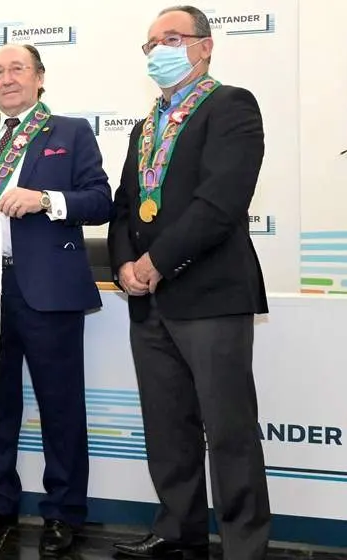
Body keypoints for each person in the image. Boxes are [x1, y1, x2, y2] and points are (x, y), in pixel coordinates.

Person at [107, 5, 270, 559]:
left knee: (228, 430)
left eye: (171, 38)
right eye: (151, 44)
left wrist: (155, 263)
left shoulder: (232, 106)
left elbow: (220, 203)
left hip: (210, 296)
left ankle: (244, 546)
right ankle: (178, 533)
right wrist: (126, 265)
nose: (160, 51)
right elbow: (126, 206)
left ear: (205, 46)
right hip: (148, 303)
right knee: (167, 428)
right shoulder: (145, 125)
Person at [0, 44, 112, 556]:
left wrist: (46, 200)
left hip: (48, 291)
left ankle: (65, 512)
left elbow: (101, 200)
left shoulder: (71, 132)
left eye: (17, 68)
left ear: (40, 78)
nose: (7, 78)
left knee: (60, 408)